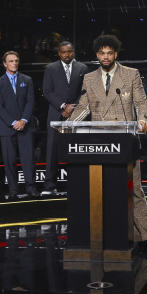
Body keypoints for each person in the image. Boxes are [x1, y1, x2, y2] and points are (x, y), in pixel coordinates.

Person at [70, 34, 147, 257]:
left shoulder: (130, 74)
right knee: (101, 191)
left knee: (135, 190)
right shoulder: (89, 78)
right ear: (97, 55)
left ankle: (145, 238)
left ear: (116, 54)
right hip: (99, 142)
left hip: (126, 140)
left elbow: (141, 101)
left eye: (109, 53)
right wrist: (68, 125)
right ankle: (102, 237)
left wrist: (144, 120)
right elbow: (84, 106)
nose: (105, 57)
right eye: (101, 53)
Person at [41, 41, 87, 196]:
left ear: (73, 51)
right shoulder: (50, 68)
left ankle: (76, 184)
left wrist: (73, 107)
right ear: (59, 53)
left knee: (75, 149)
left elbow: (84, 92)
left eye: (69, 51)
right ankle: (49, 185)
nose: (67, 55)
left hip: (76, 114)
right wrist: (62, 106)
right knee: (52, 150)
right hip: (55, 113)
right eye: (63, 52)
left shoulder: (82, 68)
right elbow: (47, 91)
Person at [0, 51, 38, 199]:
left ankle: (31, 187)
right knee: (9, 160)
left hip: (25, 127)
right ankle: (13, 190)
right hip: (7, 128)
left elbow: (30, 102)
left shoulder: (27, 80)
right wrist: (13, 123)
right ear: (5, 64)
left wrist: (24, 120)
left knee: (28, 159)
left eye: (16, 61)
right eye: (11, 61)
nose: (14, 63)